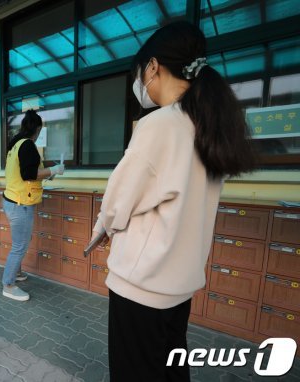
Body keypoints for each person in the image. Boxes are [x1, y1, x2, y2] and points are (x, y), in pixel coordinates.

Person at [89, 21, 255, 381]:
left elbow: (118, 203)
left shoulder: (161, 124)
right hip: (179, 286)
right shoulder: (209, 126)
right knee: (172, 371)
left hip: (142, 286)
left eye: (140, 73)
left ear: (152, 67)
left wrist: (105, 228)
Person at [1, 110, 64, 302]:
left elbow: (29, 171)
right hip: (20, 204)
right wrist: (54, 169)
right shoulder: (27, 145)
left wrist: (49, 172)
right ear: (37, 129)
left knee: (19, 242)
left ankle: (16, 272)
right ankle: (9, 284)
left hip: (12, 199)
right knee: (20, 245)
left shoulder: (15, 143)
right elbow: (29, 174)